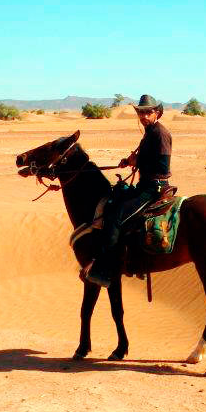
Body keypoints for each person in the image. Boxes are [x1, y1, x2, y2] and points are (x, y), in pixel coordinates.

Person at [84, 94, 173, 287]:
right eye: (141, 112)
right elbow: (147, 157)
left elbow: (163, 165)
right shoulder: (149, 132)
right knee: (113, 202)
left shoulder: (160, 133)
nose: (144, 116)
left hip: (153, 188)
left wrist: (137, 161)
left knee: (116, 217)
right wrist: (130, 161)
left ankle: (106, 270)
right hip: (145, 185)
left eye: (148, 112)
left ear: (157, 112)